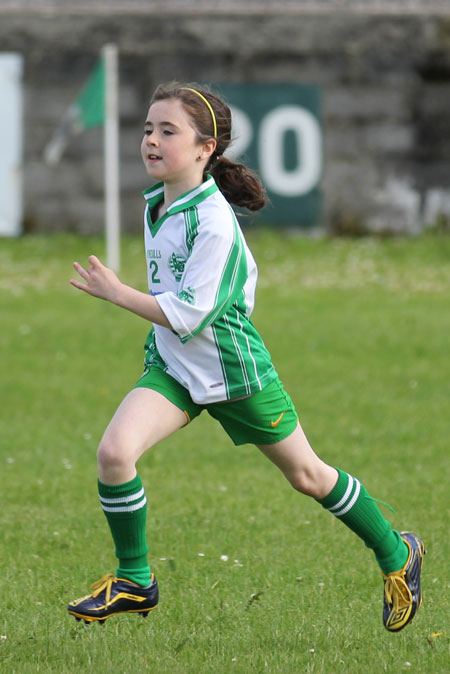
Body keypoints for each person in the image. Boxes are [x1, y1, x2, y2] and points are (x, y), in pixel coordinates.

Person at [67, 82, 425, 631]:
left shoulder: (213, 221)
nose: (152, 141)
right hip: (175, 367)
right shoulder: (157, 204)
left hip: (235, 372)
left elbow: (189, 313)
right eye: (147, 129)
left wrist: (118, 293)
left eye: (168, 131)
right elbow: (176, 320)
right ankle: (136, 580)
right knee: (115, 453)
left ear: (206, 148)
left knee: (308, 476)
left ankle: (398, 554)